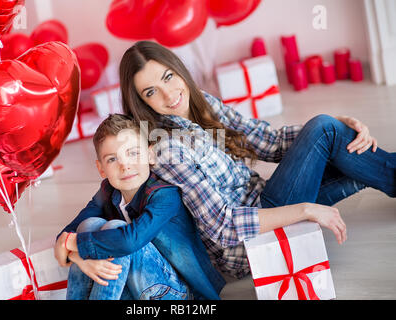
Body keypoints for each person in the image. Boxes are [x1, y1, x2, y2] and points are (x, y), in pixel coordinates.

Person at [118, 40, 396, 279]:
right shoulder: (167, 149)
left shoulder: (200, 102)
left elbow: (269, 143)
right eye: (151, 91)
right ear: (142, 102)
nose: (168, 94)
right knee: (327, 131)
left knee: (349, 155)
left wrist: (340, 132)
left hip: (264, 199)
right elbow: (222, 226)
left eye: (168, 76)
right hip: (248, 243)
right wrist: (306, 210)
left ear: (178, 69)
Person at [54, 113, 225, 300]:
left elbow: (129, 241)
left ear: (150, 155)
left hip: (181, 294)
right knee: (88, 226)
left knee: (115, 230)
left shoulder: (165, 195)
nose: (125, 165)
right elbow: (66, 235)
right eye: (112, 159)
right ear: (101, 168)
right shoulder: (107, 191)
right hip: (134, 289)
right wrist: (81, 259)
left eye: (133, 153)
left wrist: (74, 245)